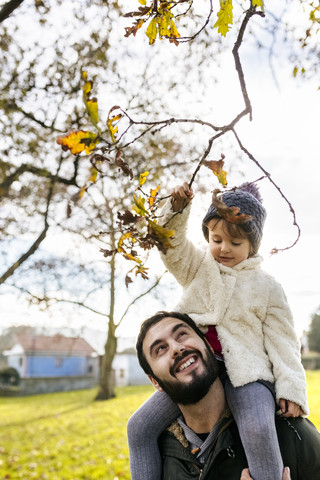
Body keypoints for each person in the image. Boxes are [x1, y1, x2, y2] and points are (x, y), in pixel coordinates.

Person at [127, 182, 309, 480]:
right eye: (216, 239)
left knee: (257, 427)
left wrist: (291, 388)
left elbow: (284, 340)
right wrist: (176, 209)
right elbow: (171, 246)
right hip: (195, 370)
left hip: (247, 374)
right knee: (139, 426)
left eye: (235, 244)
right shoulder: (198, 266)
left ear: (253, 246)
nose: (224, 249)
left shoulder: (267, 287)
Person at [135, 311, 320, 479]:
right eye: (160, 349)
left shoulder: (291, 435)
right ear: (155, 381)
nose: (176, 348)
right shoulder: (159, 452)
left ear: (209, 345)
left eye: (182, 334)